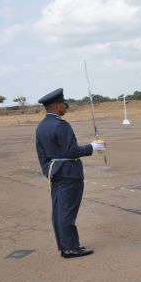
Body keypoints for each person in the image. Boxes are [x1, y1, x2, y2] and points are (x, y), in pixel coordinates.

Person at [35, 88, 106, 258]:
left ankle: (66, 245)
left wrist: (48, 171)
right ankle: (71, 248)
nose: (66, 107)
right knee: (67, 212)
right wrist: (92, 147)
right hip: (69, 173)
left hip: (55, 173)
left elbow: (41, 154)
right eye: (64, 104)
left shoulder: (42, 126)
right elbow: (71, 151)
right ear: (56, 105)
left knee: (59, 211)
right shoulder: (61, 125)